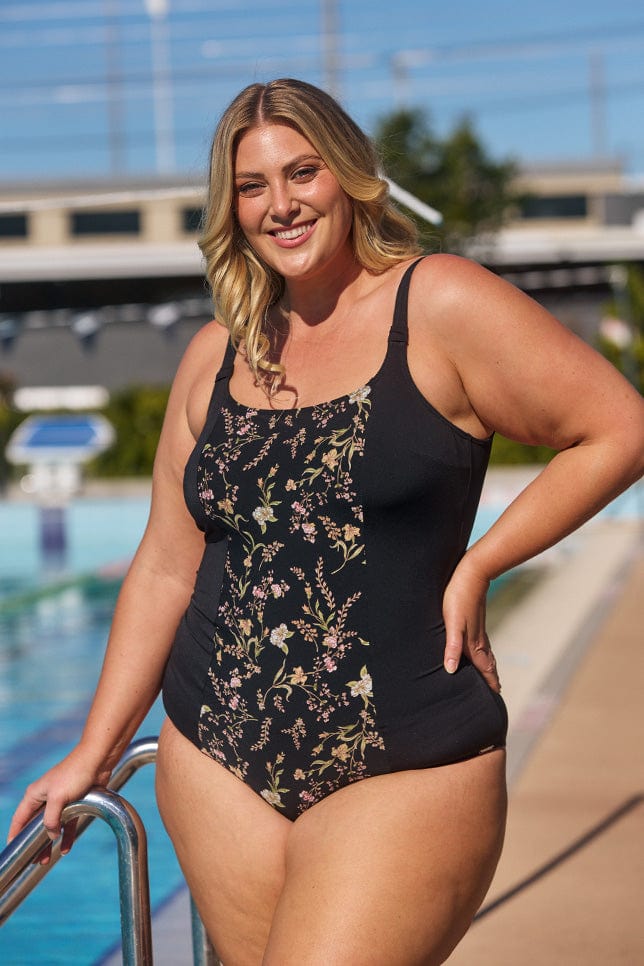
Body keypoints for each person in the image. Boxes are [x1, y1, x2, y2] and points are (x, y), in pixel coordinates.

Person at [8, 78, 644, 965]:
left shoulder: (438, 305)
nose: (282, 205)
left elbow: (617, 427)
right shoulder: (214, 357)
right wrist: (92, 750)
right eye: (253, 185)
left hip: (408, 758)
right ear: (231, 208)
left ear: (347, 175)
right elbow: (162, 566)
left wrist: (482, 562)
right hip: (218, 758)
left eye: (302, 172)